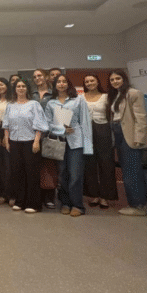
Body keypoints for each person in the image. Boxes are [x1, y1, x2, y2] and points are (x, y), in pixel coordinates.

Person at [106, 69, 147, 215]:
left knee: (131, 172)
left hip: (129, 135)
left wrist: (139, 138)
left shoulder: (134, 93)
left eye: (118, 78)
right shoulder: (115, 95)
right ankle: (141, 202)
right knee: (129, 170)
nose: (115, 81)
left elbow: (141, 118)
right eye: (112, 80)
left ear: (124, 79)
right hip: (118, 133)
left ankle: (138, 206)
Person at [46, 74, 92, 217]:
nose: (61, 84)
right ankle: (65, 203)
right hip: (59, 142)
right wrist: (61, 129)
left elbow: (85, 122)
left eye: (64, 81)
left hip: (76, 142)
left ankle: (77, 205)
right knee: (62, 175)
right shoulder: (51, 103)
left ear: (68, 84)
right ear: (55, 85)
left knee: (75, 175)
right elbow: (47, 124)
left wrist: (88, 146)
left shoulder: (78, 100)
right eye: (58, 82)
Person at [3, 78, 48, 212]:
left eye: (23, 86)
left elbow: (39, 124)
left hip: (30, 142)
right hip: (14, 142)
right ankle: (20, 201)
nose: (21, 88)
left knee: (31, 173)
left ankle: (33, 204)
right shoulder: (10, 105)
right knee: (17, 173)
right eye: (18, 86)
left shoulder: (34, 104)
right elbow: (6, 125)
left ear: (27, 89)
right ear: (15, 89)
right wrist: (7, 141)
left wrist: (36, 141)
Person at [82, 74, 118, 209]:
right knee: (89, 165)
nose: (89, 83)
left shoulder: (106, 97)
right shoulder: (81, 98)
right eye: (87, 81)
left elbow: (113, 114)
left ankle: (105, 197)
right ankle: (94, 195)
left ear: (97, 82)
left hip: (104, 130)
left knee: (106, 164)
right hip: (86, 132)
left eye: (92, 80)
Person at [30, 69, 57, 209]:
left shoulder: (54, 94)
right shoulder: (31, 94)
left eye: (39, 75)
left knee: (49, 166)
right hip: (32, 134)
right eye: (35, 77)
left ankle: (49, 197)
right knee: (35, 166)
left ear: (46, 77)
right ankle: (37, 196)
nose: (37, 78)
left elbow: (61, 111)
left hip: (49, 134)